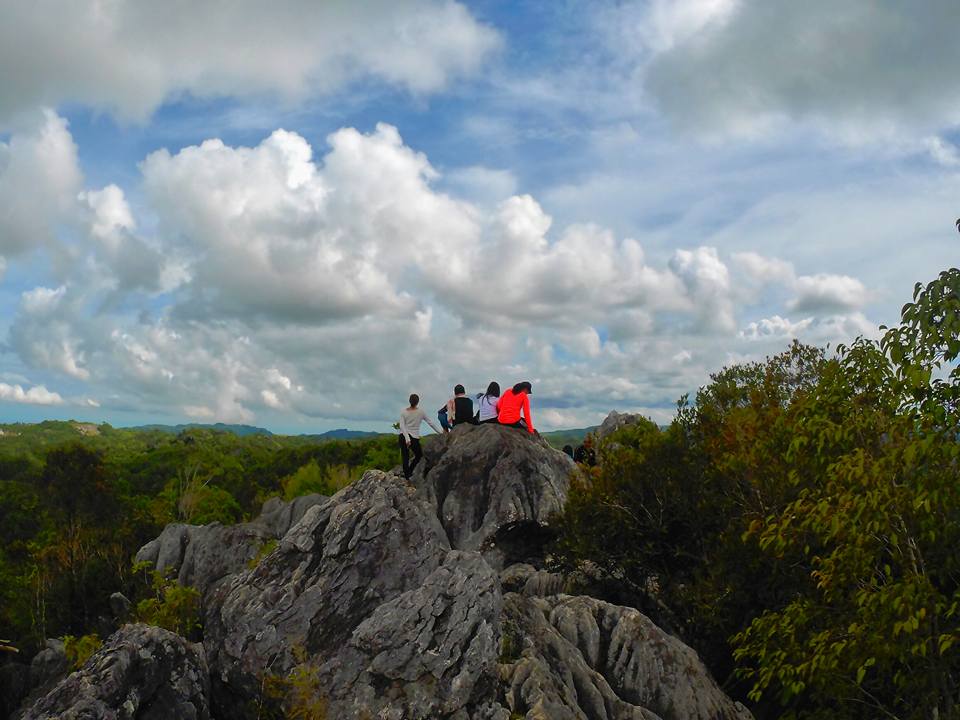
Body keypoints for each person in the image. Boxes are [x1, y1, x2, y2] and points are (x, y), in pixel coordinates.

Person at [398, 393, 441, 479]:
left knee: (405, 457)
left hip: (403, 436)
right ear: (417, 402)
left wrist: (406, 438)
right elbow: (430, 423)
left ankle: (407, 475)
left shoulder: (403, 412)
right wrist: (440, 432)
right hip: (414, 438)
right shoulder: (421, 412)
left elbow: (402, 426)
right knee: (419, 455)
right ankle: (409, 472)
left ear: (409, 401)